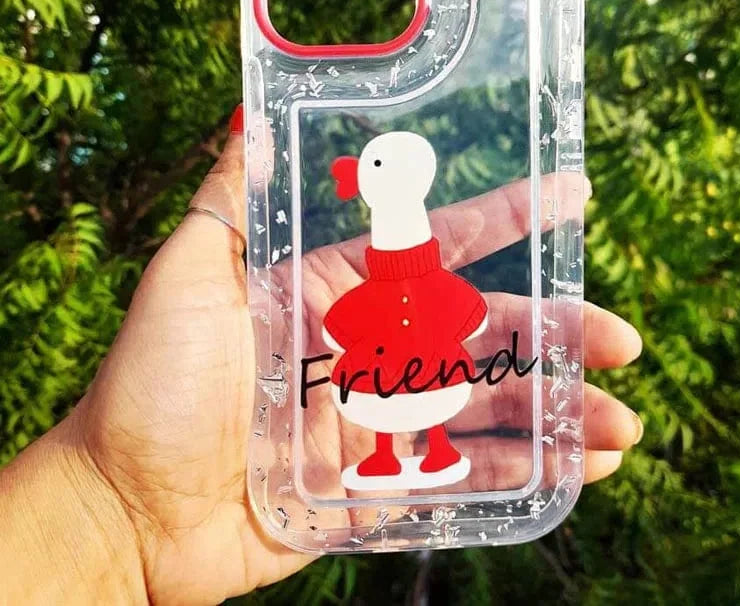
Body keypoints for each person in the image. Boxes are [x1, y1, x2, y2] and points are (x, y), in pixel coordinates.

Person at [0, 104, 644, 604]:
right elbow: (357, 315)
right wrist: (116, 504)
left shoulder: (423, 284)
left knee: (430, 403)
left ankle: (434, 448)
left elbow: (448, 307)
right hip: (374, 368)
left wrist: (115, 515)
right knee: (391, 408)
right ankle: (395, 453)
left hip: (423, 361)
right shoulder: (369, 291)